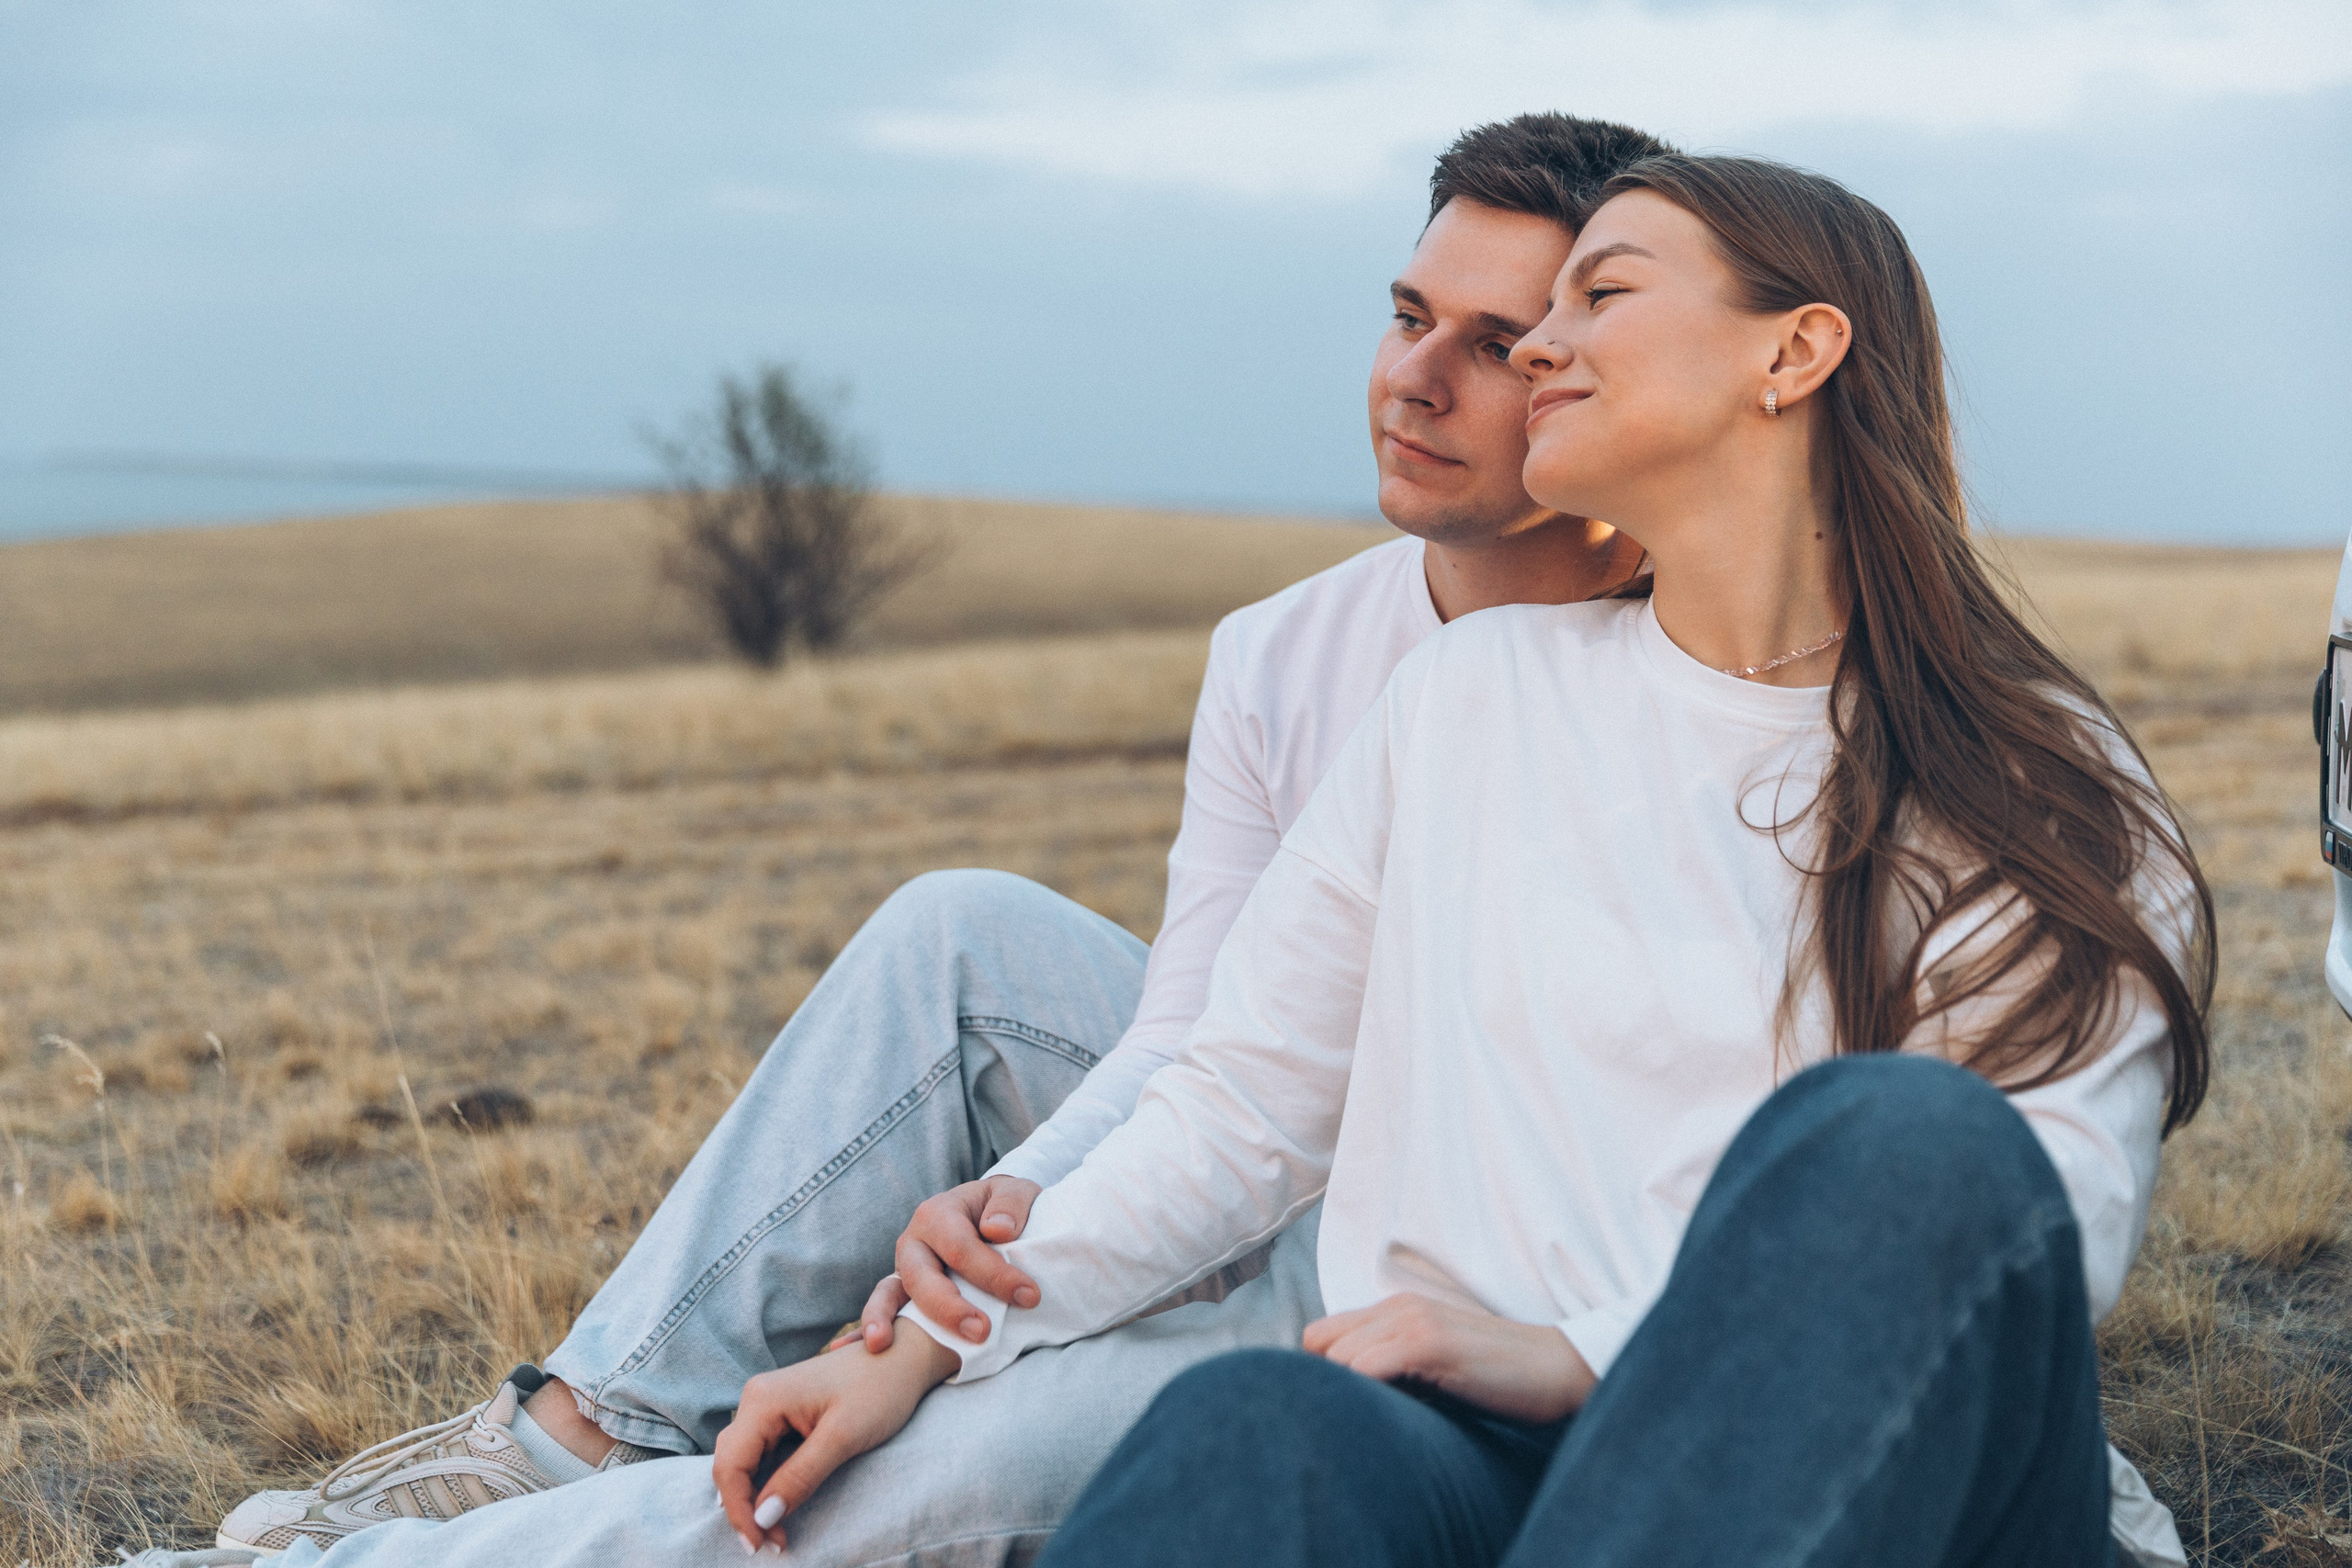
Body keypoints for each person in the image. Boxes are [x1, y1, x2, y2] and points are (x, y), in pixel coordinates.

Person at [187, 114, 1667, 1568]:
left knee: (912, 1456)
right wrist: (1015, 1212)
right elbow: (1196, 1041)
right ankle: (563, 1443)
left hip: (1447, 1258)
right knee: (962, 935)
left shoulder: (1692, 659)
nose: (1412, 380)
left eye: (1488, 344)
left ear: (1590, 372)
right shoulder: (1281, 650)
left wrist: (983, 1306)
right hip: (1250, 1141)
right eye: (1407, 317)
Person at [703, 155, 2212, 1567]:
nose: (1541, 347)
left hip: (1870, 1482)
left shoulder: (2028, 774)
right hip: (1481, 1466)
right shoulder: (1470, 698)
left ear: (1794, 353)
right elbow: (1239, 1103)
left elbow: (2032, 1224)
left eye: (1599, 295)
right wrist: (924, 1342)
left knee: (1902, 1137)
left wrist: (1591, 1359)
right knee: (1260, 1431)